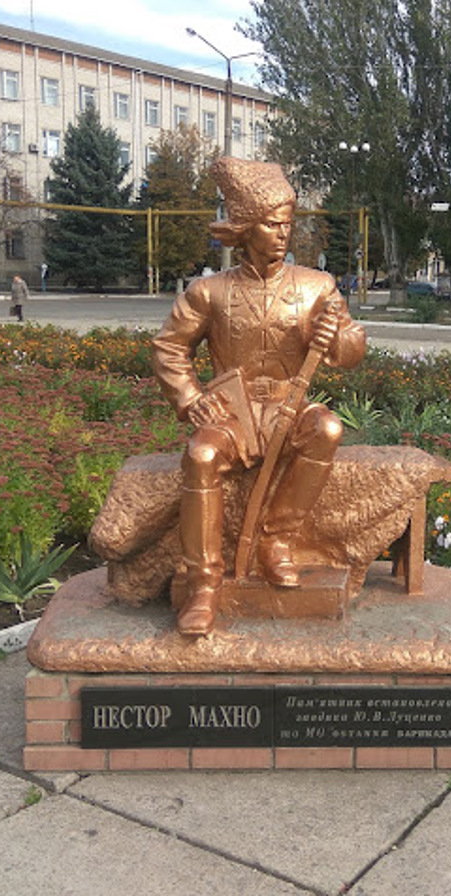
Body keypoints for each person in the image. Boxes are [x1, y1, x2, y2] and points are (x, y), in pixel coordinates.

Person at [152, 157, 367, 636]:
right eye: (271, 224)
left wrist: (338, 338)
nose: (282, 233)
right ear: (247, 228)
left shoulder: (317, 287)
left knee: (327, 429)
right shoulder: (209, 292)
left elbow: (353, 344)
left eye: (286, 224)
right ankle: (204, 585)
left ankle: (276, 540)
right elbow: (170, 346)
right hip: (234, 412)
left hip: (291, 407)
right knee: (202, 454)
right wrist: (189, 399)